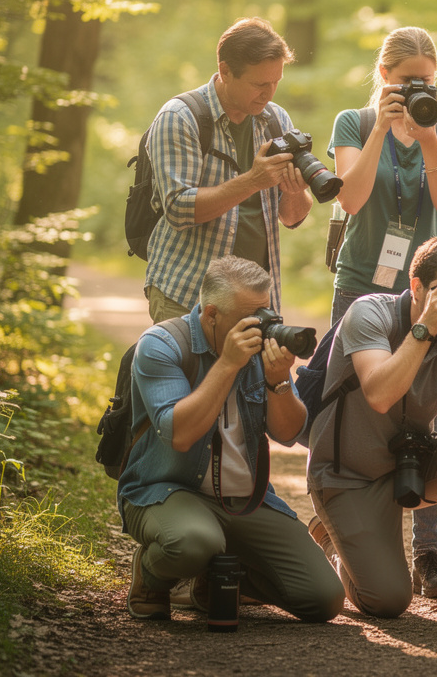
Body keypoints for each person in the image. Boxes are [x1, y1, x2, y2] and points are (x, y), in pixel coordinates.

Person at [326, 26, 437, 600]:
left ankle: (428, 550)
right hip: (362, 283)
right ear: (384, 76)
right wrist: (383, 128)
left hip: (426, 287)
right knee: (352, 405)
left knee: (427, 411)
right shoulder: (354, 123)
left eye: (427, 81)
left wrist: (429, 139)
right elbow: (350, 198)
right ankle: (343, 528)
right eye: (406, 79)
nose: (417, 88)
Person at [305, 237, 437, 623]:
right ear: (416, 286)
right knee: (388, 600)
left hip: (411, 466)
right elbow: (379, 395)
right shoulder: (370, 313)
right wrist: (425, 327)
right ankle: (333, 542)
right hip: (347, 476)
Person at [120, 256, 344, 623]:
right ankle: (152, 574)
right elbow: (180, 435)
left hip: (242, 501)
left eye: (267, 312)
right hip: (168, 492)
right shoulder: (162, 345)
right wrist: (227, 364)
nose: (263, 325)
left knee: (323, 599)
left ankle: (219, 573)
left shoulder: (260, 350)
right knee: (194, 543)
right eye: (251, 316)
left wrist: (278, 381)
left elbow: (289, 433)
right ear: (211, 315)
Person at [143, 17, 313, 323]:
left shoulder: (276, 120)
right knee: (188, 373)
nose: (269, 93)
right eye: (260, 84)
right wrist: (252, 181)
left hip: (256, 300)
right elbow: (178, 209)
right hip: (186, 294)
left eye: (276, 82)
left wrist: (294, 188)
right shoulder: (180, 117)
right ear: (225, 71)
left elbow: (292, 217)